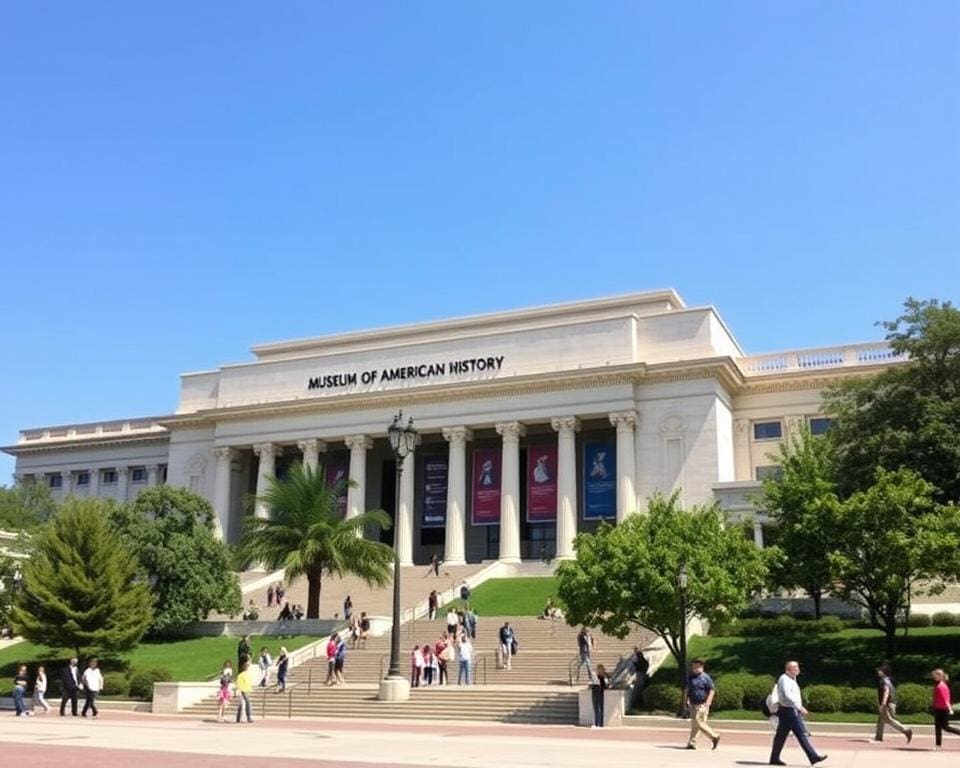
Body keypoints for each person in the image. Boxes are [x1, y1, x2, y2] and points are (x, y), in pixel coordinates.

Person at [769, 660, 828, 766]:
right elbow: (787, 695)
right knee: (801, 734)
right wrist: (799, 707)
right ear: (788, 669)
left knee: (781, 736)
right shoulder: (784, 679)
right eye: (794, 667)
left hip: (788, 711)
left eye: (797, 667)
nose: (797, 668)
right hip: (789, 711)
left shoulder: (791, 679)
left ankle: (774, 758)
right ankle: (813, 757)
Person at [685, 659, 720, 750]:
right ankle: (692, 743)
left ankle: (714, 736)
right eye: (693, 666)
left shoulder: (706, 678)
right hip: (693, 703)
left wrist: (708, 702)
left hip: (702, 704)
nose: (695, 668)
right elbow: (687, 689)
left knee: (698, 722)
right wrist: (686, 700)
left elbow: (712, 690)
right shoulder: (691, 677)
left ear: (702, 667)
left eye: (697, 666)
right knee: (695, 724)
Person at [874, 663, 912, 743]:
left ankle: (906, 730)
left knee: (889, 719)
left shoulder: (883, 681)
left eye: (880, 670)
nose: (878, 672)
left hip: (887, 704)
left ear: (884, 672)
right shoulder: (888, 680)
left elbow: (886, 691)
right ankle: (878, 737)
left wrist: (883, 704)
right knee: (881, 720)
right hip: (891, 703)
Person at [932, 668, 960, 750]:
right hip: (938, 709)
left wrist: (950, 709)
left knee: (945, 727)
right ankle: (938, 745)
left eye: (935, 675)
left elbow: (946, 699)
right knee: (938, 727)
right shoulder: (939, 685)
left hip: (942, 709)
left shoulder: (941, 686)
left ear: (940, 676)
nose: (934, 677)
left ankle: (938, 745)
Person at [590, 664, 608, 728]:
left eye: (597, 668)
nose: (597, 670)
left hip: (598, 691)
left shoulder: (601, 676)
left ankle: (598, 723)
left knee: (598, 708)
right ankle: (598, 723)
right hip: (598, 691)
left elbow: (604, 684)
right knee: (598, 708)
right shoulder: (601, 676)